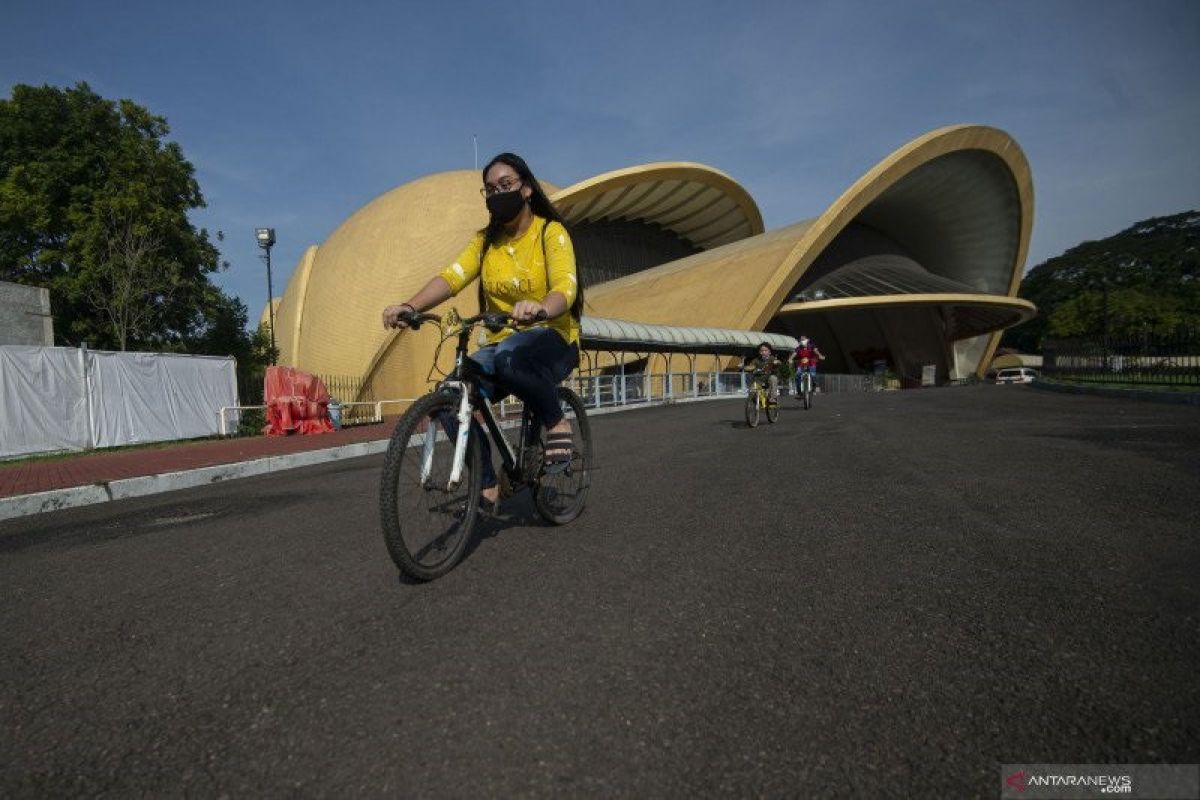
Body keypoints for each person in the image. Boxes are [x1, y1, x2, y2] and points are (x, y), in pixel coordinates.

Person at [382, 152, 582, 508]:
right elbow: (452, 276)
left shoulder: (551, 233)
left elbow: (565, 288)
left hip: (551, 337)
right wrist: (410, 307)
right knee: (450, 394)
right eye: (489, 190)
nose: (496, 195)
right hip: (503, 342)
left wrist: (539, 308)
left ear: (526, 190)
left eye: (505, 186)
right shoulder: (486, 242)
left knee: (508, 358)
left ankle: (556, 422)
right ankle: (486, 481)